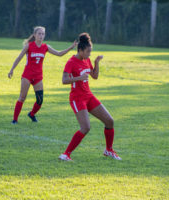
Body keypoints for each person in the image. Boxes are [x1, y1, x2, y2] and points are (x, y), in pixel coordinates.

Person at [58, 33, 122, 161]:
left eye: (90, 51)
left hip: (88, 96)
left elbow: (95, 76)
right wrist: (79, 78)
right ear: (80, 50)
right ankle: (66, 154)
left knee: (110, 121)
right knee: (86, 128)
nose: (89, 54)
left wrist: (96, 62)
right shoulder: (71, 62)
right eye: (88, 51)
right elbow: (64, 80)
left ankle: (108, 150)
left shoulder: (87, 60)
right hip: (77, 98)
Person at [8, 26, 77, 124]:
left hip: (38, 77)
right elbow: (19, 58)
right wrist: (11, 70)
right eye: (39, 34)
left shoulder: (46, 47)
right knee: (22, 97)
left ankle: (31, 114)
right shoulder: (29, 46)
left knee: (40, 100)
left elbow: (59, 53)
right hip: (27, 75)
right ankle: (15, 120)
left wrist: (71, 47)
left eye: (43, 34)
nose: (41, 36)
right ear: (35, 35)